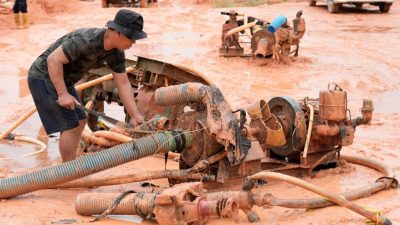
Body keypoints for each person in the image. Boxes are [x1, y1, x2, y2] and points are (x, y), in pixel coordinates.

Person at [27, 9, 146, 162]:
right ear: (118, 33)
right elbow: (53, 60)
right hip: (44, 76)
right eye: (132, 38)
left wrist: (135, 115)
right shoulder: (85, 40)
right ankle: (68, 171)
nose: (133, 43)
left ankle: (71, 165)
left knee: (81, 120)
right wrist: (63, 94)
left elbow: (123, 83)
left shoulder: (116, 53)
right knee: (70, 125)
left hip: (63, 79)